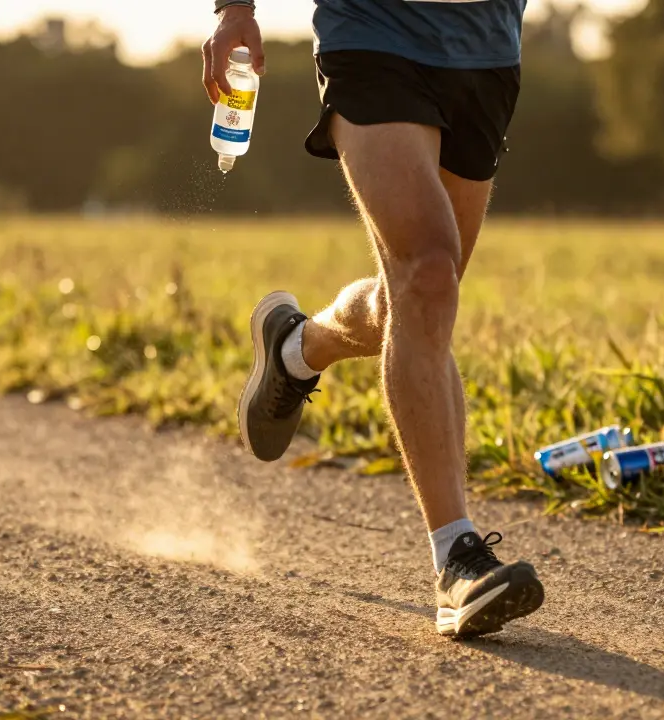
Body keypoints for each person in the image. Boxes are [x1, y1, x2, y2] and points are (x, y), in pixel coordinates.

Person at [205, 0, 543, 638]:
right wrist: (234, 9)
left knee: (413, 305)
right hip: (373, 31)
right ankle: (457, 558)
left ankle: (296, 348)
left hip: (487, 48)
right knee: (429, 272)